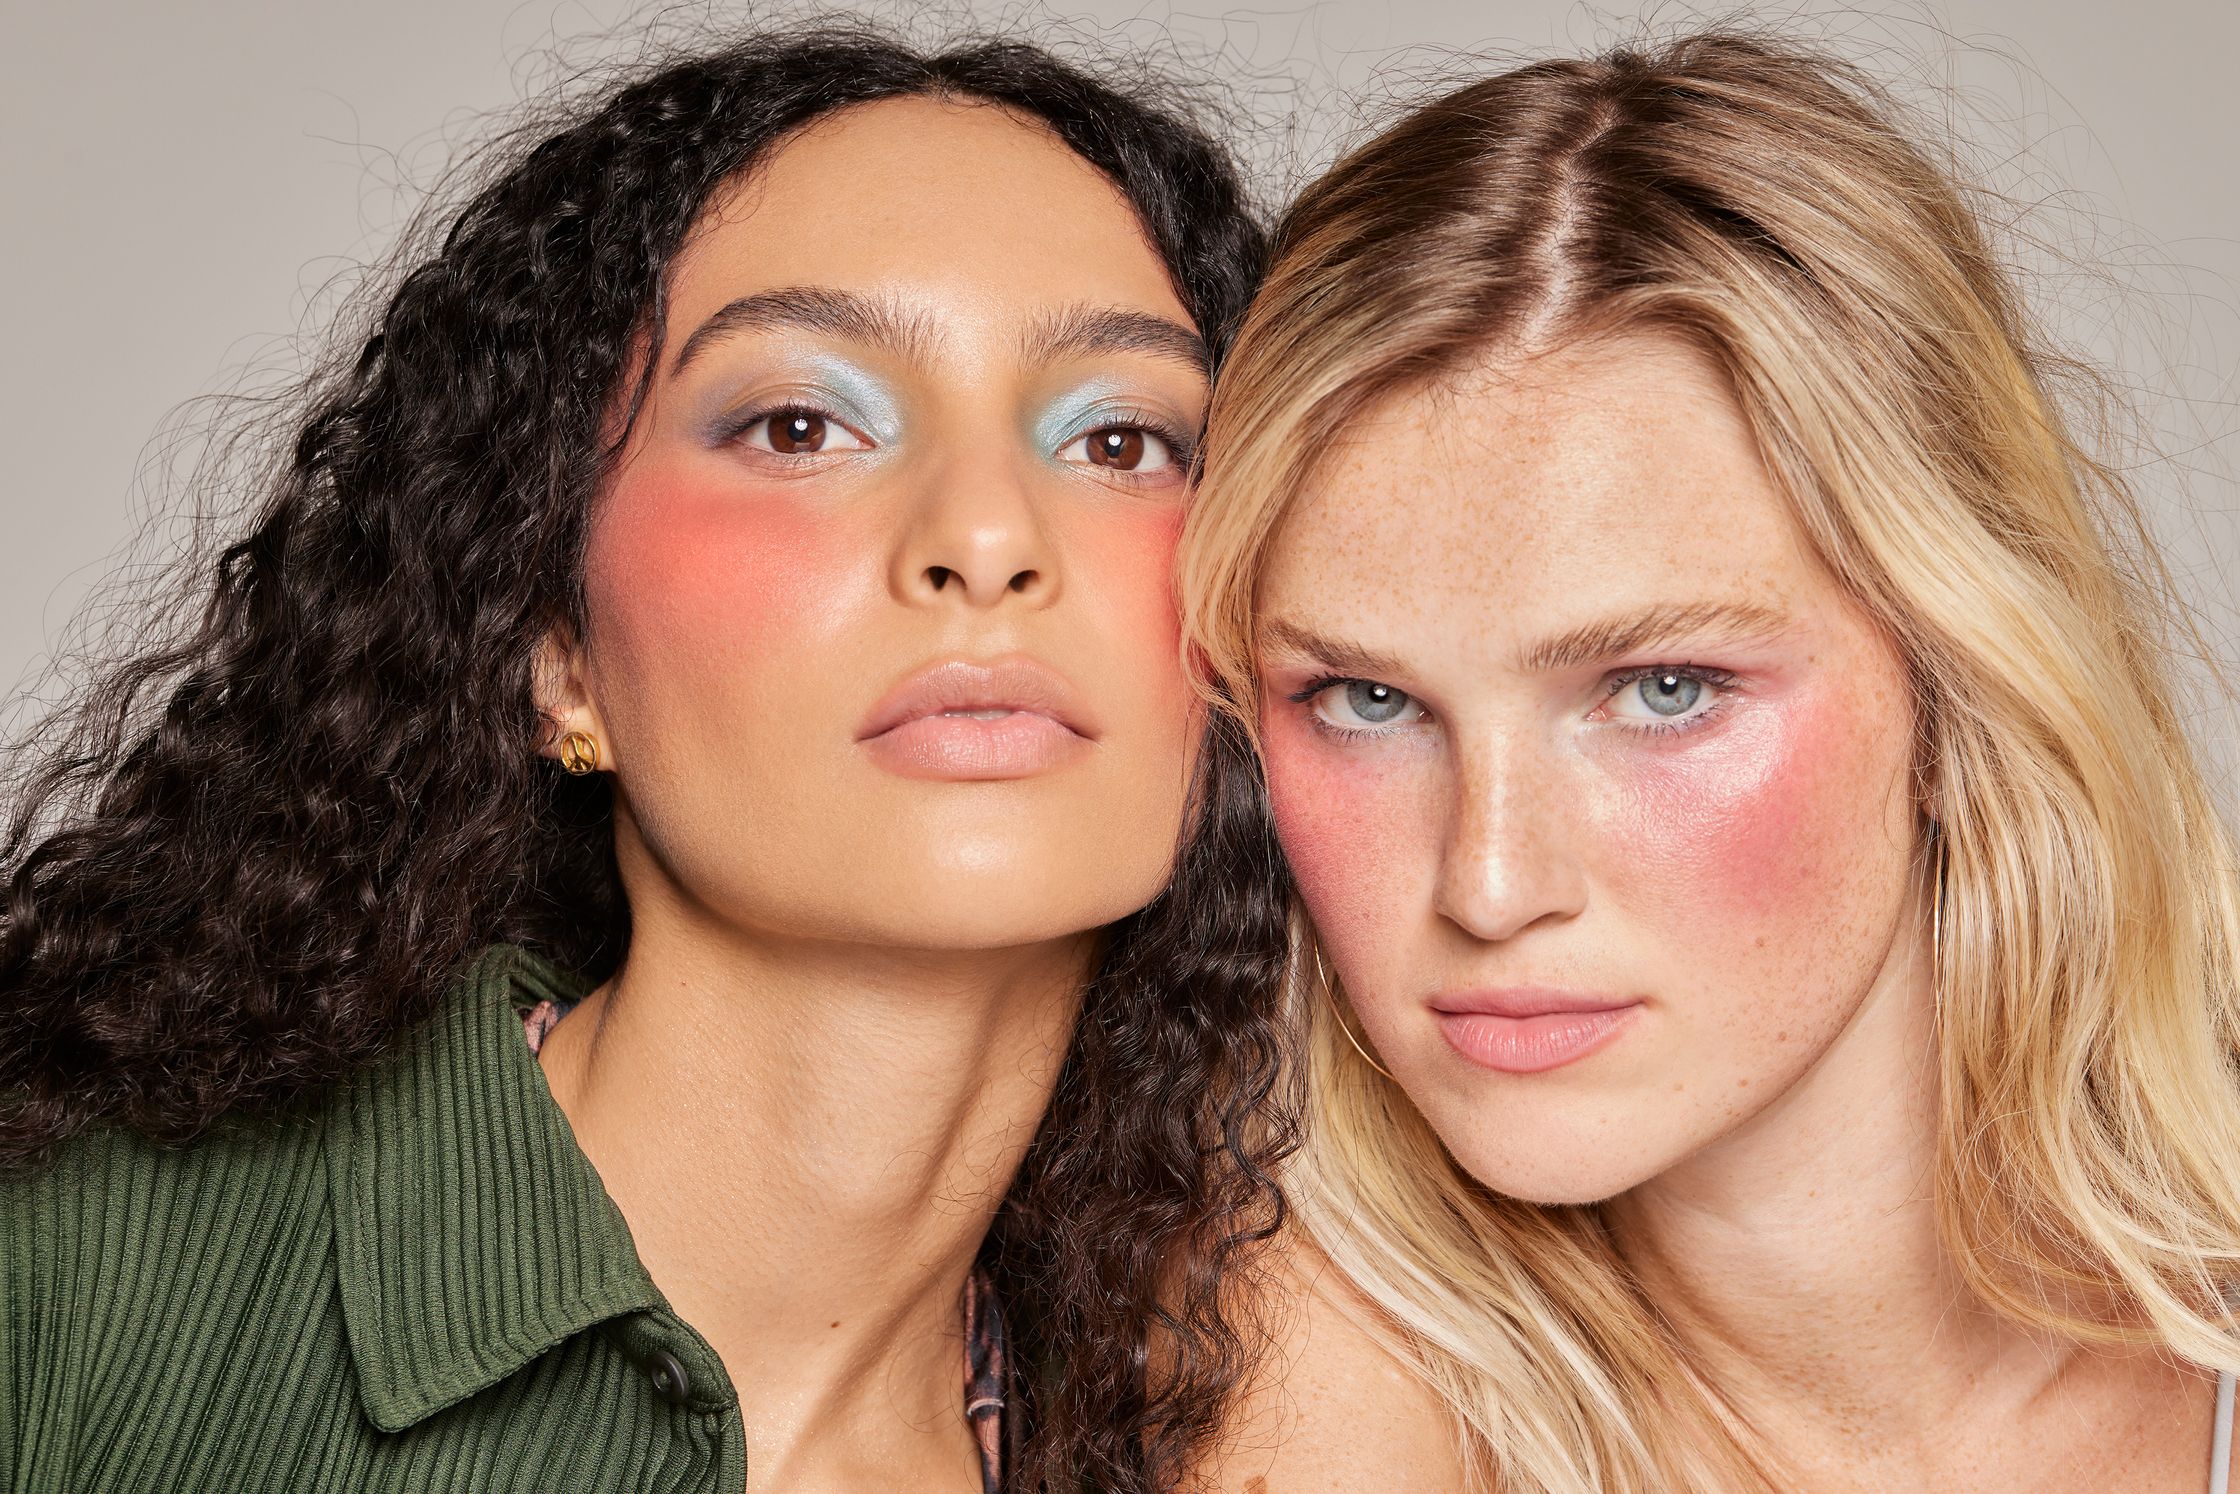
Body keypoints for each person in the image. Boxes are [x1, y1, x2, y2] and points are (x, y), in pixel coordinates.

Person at [0, 27, 1293, 1494]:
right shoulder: (62, 1280)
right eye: (802, 423)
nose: (987, 539)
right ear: (556, 647)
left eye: (1122, 440)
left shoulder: (1231, 1441)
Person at [1182, 32, 2240, 1493]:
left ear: (1958, 677)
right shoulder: (1288, 1381)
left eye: (1663, 687)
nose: (1489, 884)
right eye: (1365, 700)